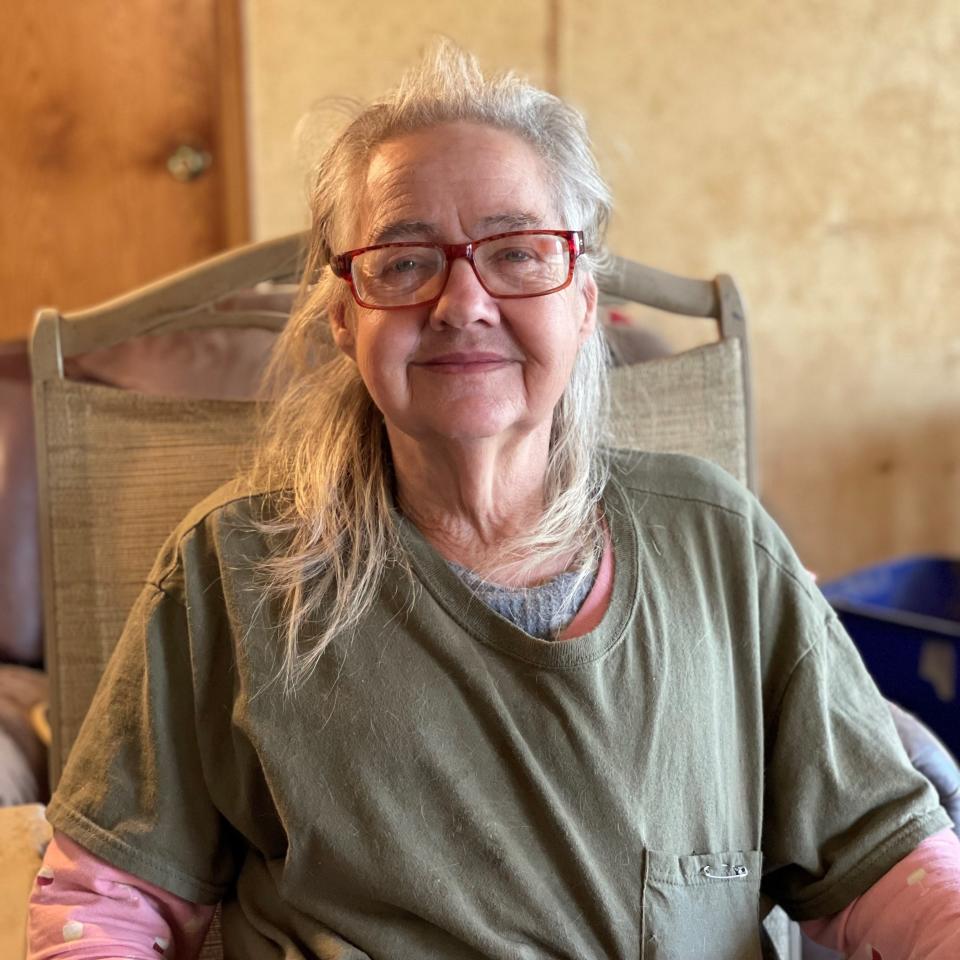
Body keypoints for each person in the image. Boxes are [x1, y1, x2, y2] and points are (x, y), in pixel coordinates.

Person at [27, 43, 960, 960]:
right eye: (401, 263)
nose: (461, 302)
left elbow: (880, 857)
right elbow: (107, 903)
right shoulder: (234, 569)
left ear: (583, 303)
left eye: (517, 254)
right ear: (345, 318)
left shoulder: (718, 545)